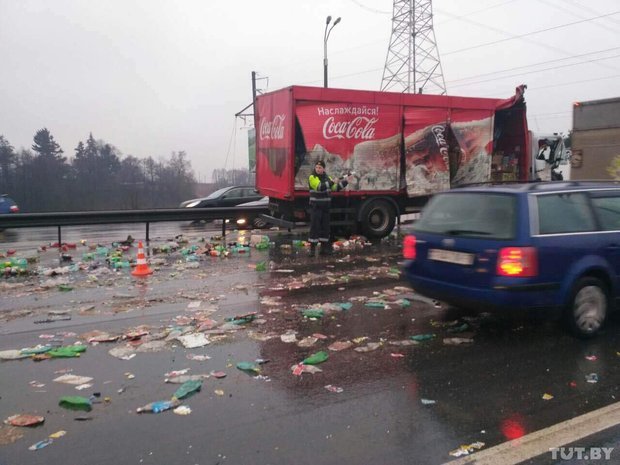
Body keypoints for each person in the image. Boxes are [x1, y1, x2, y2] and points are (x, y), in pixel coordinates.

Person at [308, 160, 349, 257]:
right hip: (316, 207)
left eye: (320, 168)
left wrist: (345, 182)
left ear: (323, 169)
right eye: (316, 167)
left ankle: (324, 249)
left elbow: (335, 188)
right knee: (315, 228)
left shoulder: (327, 178)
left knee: (325, 228)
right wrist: (331, 182)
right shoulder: (312, 177)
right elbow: (319, 187)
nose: (318, 169)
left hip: (325, 207)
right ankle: (312, 250)